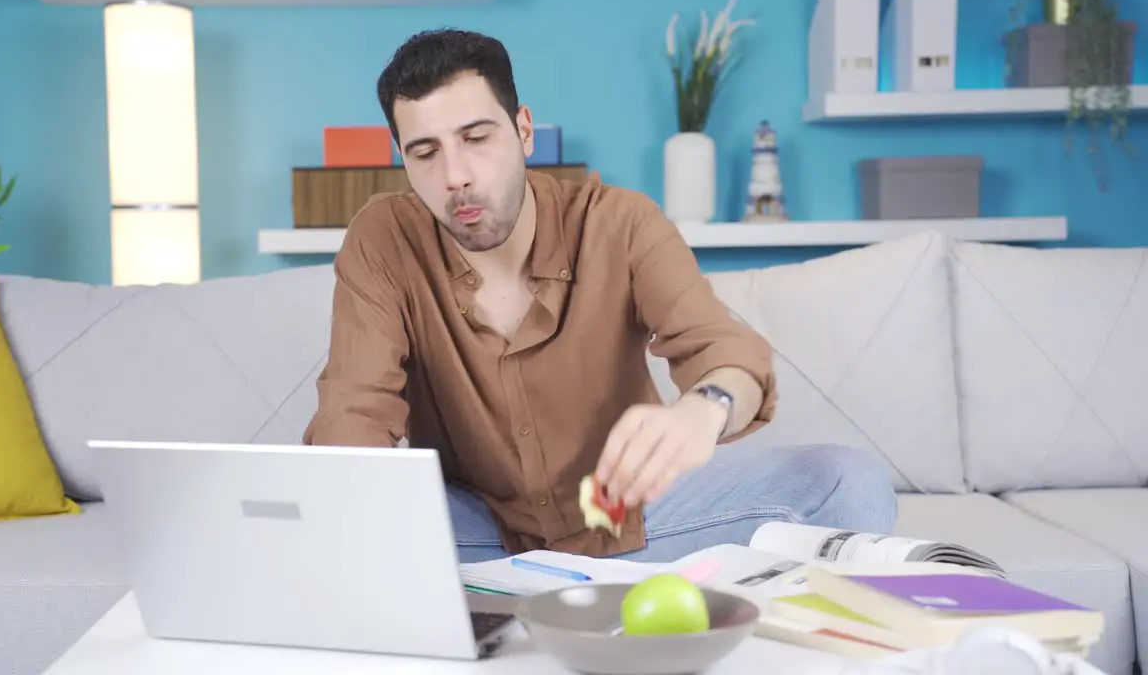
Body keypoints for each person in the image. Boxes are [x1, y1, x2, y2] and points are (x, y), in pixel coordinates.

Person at [302, 28, 898, 564]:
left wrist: (702, 411)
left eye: (476, 138)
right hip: (478, 530)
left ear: (524, 130)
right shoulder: (383, 238)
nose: (454, 174)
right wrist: (346, 518)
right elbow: (355, 410)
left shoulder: (620, 222)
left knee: (852, 483)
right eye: (425, 152)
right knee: (317, 525)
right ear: (402, 159)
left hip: (629, 518)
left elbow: (726, 352)